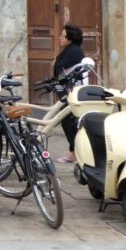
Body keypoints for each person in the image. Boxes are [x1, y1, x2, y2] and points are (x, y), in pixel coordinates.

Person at [53, 24, 85, 163]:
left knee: (69, 121)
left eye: (63, 35)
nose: (60, 37)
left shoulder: (74, 52)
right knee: (67, 121)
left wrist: (56, 63)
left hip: (72, 92)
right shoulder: (70, 50)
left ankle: (75, 152)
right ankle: (74, 152)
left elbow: (60, 66)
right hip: (67, 91)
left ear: (70, 38)